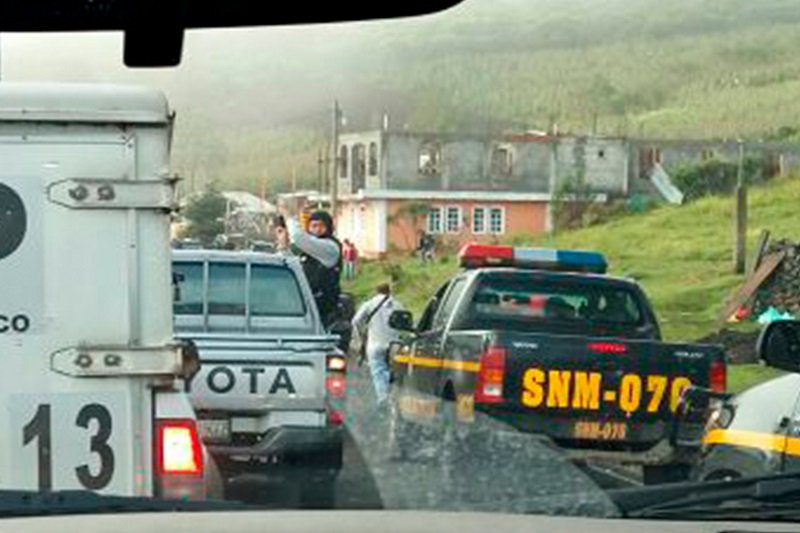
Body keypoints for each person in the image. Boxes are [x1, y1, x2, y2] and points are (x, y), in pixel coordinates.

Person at [275, 210, 342, 328]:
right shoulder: (309, 252)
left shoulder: (330, 248)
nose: (317, 230)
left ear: (329, 227)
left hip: (324, 312)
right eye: (313, 226)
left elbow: (298, 237)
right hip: (306, 308)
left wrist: (289, 218)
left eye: (321, 226)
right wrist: (284, 247)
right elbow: (294, 269)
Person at [351, 283, 404, 406]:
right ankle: (392, 395)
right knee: (393, 371)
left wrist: (361, 333)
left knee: (378, 371)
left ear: (376, 291)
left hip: (374, 343)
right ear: (389, 291)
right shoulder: (397, 305)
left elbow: (355, 321)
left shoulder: (369, 304)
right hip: (394, 345)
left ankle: (383, 398)